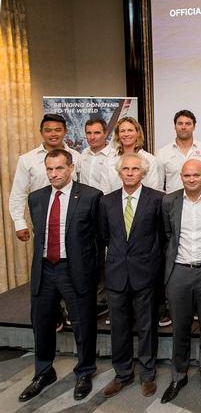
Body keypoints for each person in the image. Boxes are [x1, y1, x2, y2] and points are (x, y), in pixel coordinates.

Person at [17, 149, 101, 402]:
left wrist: (92, 273)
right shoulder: (36, 198)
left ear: (71, 168)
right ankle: (44, 372)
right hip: (44, 269)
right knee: (41, 323)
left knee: (82, 324)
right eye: (50, 169)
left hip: (74, 270)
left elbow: (99, 239)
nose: (54, 174)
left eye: (59, 169)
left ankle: (85, 371)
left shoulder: (90, 196)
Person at [98, 153, 164, 399]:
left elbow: (162, 236)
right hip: (116, 275)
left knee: (147, 327)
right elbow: (104, 236)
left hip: (145, 274)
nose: (129, 172)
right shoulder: (106, 202)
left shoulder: (157, 200)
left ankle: (147, 374)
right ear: (119, 172)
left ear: (143, 173)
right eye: (125, 168)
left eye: (135, 169)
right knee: (119, 328)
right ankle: (123, 374)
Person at [160, 159, 201, 403]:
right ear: (181, 176)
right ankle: (179, 375)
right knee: (180, 327)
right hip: (178, 272)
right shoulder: (169, 201)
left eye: (196, 175)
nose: (191, 179)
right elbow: (168, 235)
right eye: (187, 175)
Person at [10, 114, 81, 243]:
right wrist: (19, 223)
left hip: (74, 219)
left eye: (58, 130)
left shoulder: (77, 157)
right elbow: (18, 193)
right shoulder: (27, 159)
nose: (53, 134)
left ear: (65, 131)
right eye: (48, 130)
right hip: (42, 219)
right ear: (41, 132)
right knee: (43, 256)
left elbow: (85, 188)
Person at [79, 118, 114, 320]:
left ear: (105, 134)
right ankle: (94, 301)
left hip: (106, 211)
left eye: (97, 133)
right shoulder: (81, 156)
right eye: (89, 133)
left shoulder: (113, 157)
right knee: (90, 258)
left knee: (108, 258)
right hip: (85, 214)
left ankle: (107, 301)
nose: (92, 137)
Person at [99, 117, 162, 194]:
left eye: (130, 130)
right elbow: (105, 191)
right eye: (122, 131)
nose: (126, 134)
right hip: (114, 204)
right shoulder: (109, 160)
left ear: (138, 133)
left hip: (143, 204)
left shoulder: (150, 159)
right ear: (118, 135)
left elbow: (153, 190)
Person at [155, 109, 201, 193]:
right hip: (172, 204)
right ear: (175, 126)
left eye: (188, 124)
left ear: (194, 126)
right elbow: (158, 187)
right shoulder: (163, 153)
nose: (183, 127)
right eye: (180, 124)